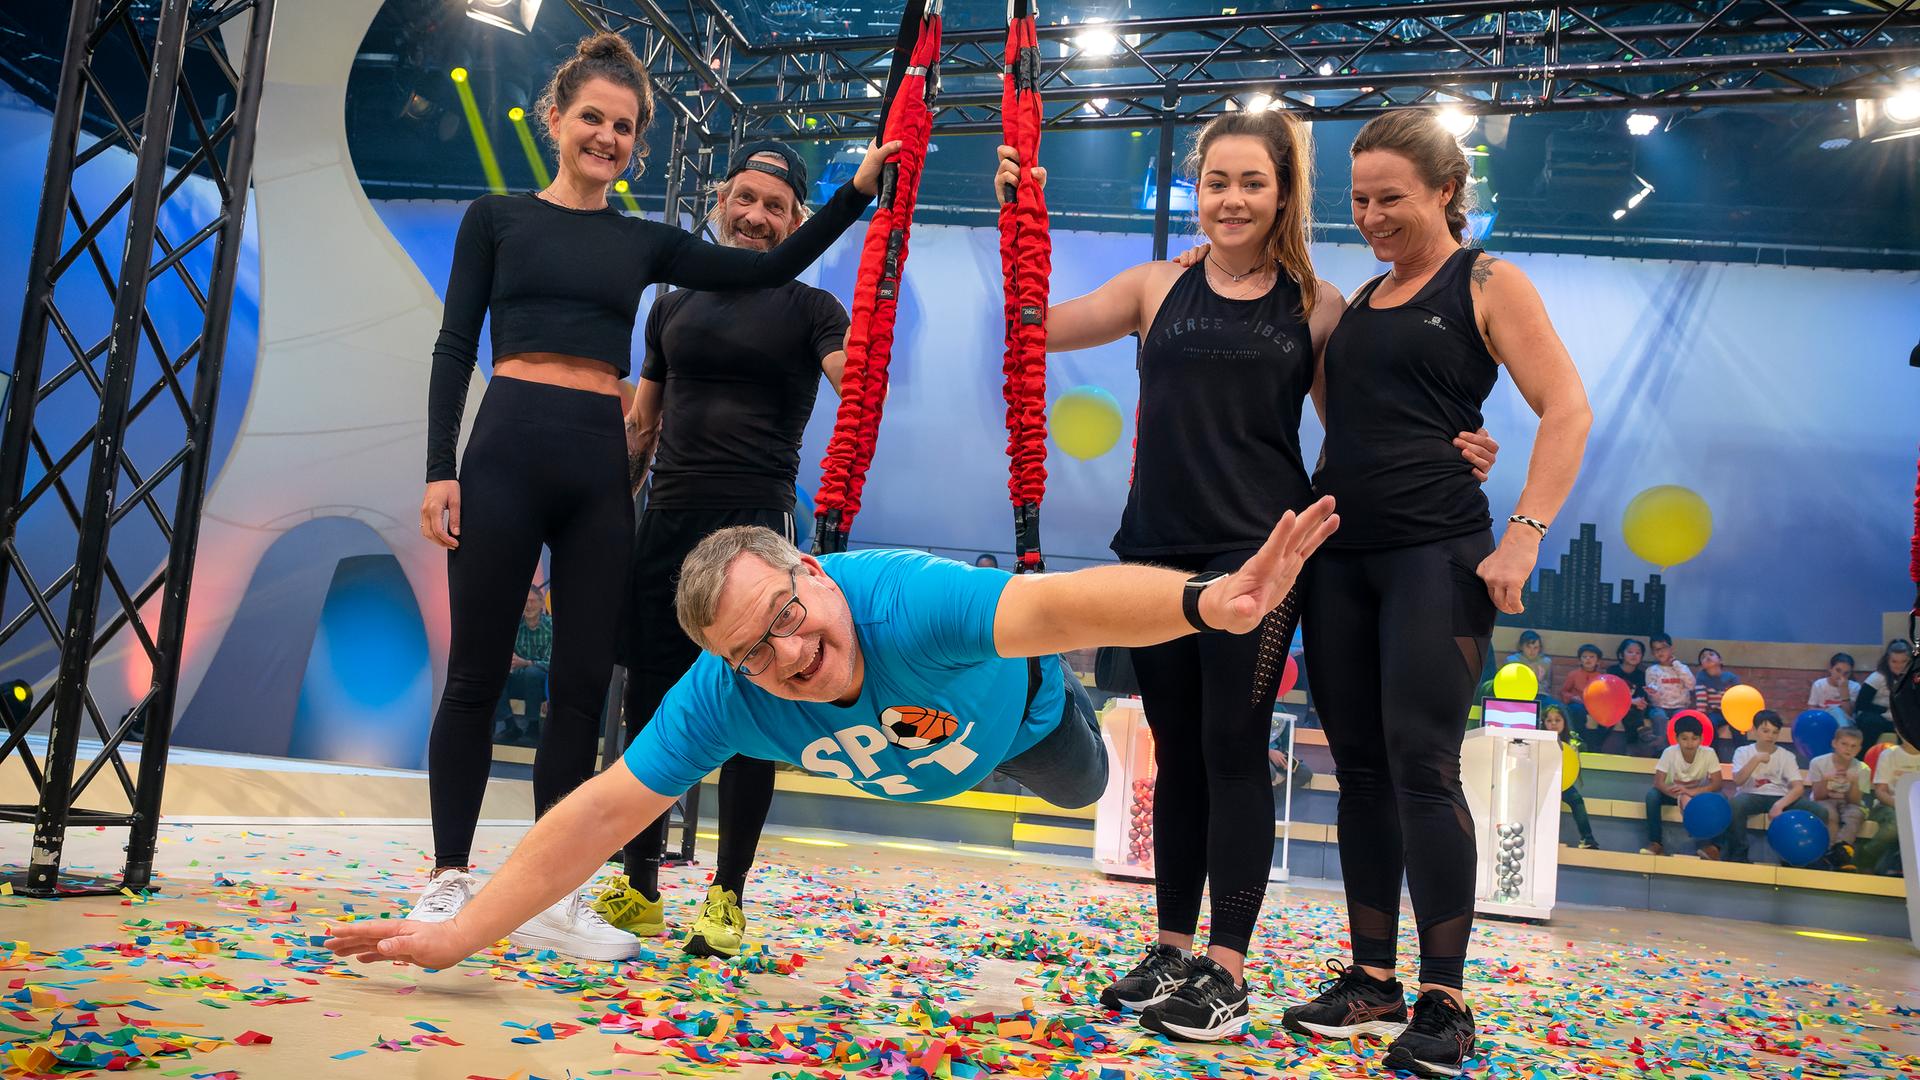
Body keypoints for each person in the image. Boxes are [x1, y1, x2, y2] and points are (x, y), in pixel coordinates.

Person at [320, 501, 1343, 975]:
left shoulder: (905, 601)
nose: (790, 651)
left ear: (813, 571)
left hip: (1023, 728)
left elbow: (1066, 605)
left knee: (1080, 789)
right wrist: (462, 931)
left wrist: (1209, 603)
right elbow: (603, 810)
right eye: (755, 651)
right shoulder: (726, 696)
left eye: (787, 613)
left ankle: (1058, 720)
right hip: (921, 764)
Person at [992, 110, 1501, 1043]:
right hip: (1154, 553)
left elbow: (1372, 417)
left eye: (1251, 183)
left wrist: (1460, 445)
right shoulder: (1156, 287)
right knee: (1176, 754)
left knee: (1232, 751)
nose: (1231, 199)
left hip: (1258, 560)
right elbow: (1034, 330)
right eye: (1215, 181)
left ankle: (1228, 969)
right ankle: (1173, 945)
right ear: (1199, 190)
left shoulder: (1319, 305)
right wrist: (1019, 224)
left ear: (1282, 194)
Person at [411, 30, 899, 960]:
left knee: (582, 695)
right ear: (556, 119)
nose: (606, 136)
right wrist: (441, 467)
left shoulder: (645, 246)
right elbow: (451, 347)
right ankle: (447, 877)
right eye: (592, 117)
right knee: (475, 676)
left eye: (625, 127)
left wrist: (854, 195)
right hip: (506, 450)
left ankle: (555, 892)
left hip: (600, 474)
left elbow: (763, 270)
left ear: (638, 144)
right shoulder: (496, 219)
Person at [1272, 110, 1590, 1080]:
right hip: (1342, 557)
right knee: (1357, 770)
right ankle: (1373, 979)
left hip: (1436, 556)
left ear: (1447, 190)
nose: (1371, 216)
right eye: (1360, 200)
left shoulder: (1487, 282)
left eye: (1392, 199)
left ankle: (1446, 1001)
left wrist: (1524, 534)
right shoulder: (1362, 297)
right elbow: (1351, 415)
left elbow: (1567, 408)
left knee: (1421, 767)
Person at [591, 141, 854, 960]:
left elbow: (860, 392)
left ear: (797, 223)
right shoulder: (671, 306)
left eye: (774, 207)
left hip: (756, 527)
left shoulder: (813, 310)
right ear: (720, 203)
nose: (755, 216)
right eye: (744, 198)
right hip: (666, 519)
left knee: (757, 708)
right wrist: (608, 513)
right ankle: (638, 886)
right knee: (653, 705)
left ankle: (726, 897)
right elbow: (645, 426)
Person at [1715, 711, 1819, 864]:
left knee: (1819, 811)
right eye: (1765, 731)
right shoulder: (1743, 752)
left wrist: (1779, 804)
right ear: (1754, 730)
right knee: (1734, 805)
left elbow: (1798, 788)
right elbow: (1738, 780)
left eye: (1775, 732)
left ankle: (1809, 857)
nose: (1770, 736)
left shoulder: (1786, 756)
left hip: (1779, 796)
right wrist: (1756, 759)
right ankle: (1739, 853)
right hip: (1751, 794)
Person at [1640, 714, 1720, 857]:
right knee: (1652, 796)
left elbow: (1717, 783)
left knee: (1722, 798)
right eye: (1684, 739)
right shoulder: (1670, 752)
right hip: (1673, 793)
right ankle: (1656, 843)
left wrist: (1692, 793)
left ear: (1701, 739)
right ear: (1676, 739)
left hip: (1698, 795)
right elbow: (1658, 782)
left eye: (1694, 739)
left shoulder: (1709, 753)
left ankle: (1711, 847)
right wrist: (1680, 795)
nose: (1689, 743)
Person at [494, 585, 552, 745]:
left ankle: (533, 727)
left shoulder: (552, 626)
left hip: (544, 682)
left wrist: (526, 663)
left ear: (542, 604)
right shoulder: (515, 626)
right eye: (525, 602)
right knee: (494, 674)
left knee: (532, 673)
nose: (529, 606)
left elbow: (552, 663)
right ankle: (510, 725)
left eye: (533, 601)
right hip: (519, 677)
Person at [1806, 726, 1869, 870]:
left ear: (1859, 749)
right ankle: (1832, 855)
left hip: (1849, 803)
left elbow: (1855, 801)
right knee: (1829, 814)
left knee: (1855, 814)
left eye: (1854, 746)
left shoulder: (1863, 768)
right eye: (1844, 744)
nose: (1848, 749)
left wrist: (1853, 783)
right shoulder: (1818, 762)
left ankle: (1837, 853)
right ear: (1834, 743)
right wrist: (1826, 780)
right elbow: (1818, 796)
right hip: (1824, 800)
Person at [1860, 734, 1919, 876]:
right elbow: (1881, 791)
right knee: (1895, 825)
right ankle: (1867, 857)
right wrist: (1904, 806)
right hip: (1888, 805)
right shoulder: (1889, 755)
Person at [1542, 704, 1598, 849]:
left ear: (1564, 723)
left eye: (1557, 720)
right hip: (1543, 784)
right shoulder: (1540, 741)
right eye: (1549, 721)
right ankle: (1543, 838)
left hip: (1563, 783)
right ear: (1543, 723)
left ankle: (1588, 839)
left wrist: (1574, 755)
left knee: (1577, 799)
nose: (1553, 723)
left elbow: (1574, 771)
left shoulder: (1571, 743)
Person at [1854, 640, 1912, 746]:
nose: (1899, 665)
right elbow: (1861, 704)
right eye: (1894, 661)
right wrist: (1885, 709)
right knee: (1870, 722)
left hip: (1901, 717)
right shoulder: (1877, 678)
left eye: (1903, 661)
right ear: (1887, 661)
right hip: (1877, 716)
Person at [1643, 633, 1695, 738]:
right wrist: (1653, 693)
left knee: (1680, 719)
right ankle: (1660, 749)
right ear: (1653, 652)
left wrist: (1676, 664)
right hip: (1659, 707)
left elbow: (1691, 685)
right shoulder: (1652, 670)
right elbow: (1652, 695)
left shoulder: (1681, 668)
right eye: (1656, 649)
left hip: (1680, 706)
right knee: (1659, 717)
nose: (1660, 652)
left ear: (1671, 649)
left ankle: (1677, 749)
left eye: (1663, 648)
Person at [1606, 638, 1652, 754]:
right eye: (1630, 652)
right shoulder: (1613, 671)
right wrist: (1631, 701)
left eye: (1638, 653)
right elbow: (1610, 695)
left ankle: (1634, 748)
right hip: (1614, 706)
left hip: (1633, 709)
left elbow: (1642, 694)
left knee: (1635, 711)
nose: (1634, 655)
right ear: (1621, 654)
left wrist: (1642, 703)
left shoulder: (1642, 674)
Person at [1692, 648, 1740, 747]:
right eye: (1703, 657)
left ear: (1720, 660)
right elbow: (1701, 700)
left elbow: (1739, 697)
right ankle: (1713, 754)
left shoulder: (1731, 677)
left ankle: (1742, 753)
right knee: (1710, 723)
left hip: (1731, 711)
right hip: (1715, 712)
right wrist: (1700, 718)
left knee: (1739, 726)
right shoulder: (1701, 677)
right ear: (1702, 665)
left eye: (1711, 654)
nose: (1708, 657)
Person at [1559, 643, 1604, 735]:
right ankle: (1578, 738)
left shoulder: (1601, 677)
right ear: (1579, 661)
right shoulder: (1573, 674)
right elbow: (1564, 691)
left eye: (1592, 657)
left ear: (1598, 661)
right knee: (1577, 710)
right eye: (1584, 657)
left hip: (1594, 705)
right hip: (1577, 704)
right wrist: (1572, 697)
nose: (1588, 659)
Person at [1808, 652, 1860, 722]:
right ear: (1830, 669)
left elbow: (1849, 714)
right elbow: (1811, 709)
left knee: (1837, 712)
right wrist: (1830, 712)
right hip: (1823, 720)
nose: (1841, 676)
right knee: (1835, 711)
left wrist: (1844, 691)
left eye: (1846, 673)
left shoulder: (1855, 687)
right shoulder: (1819, 684)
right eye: (1838, 670)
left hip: (1845, 724)